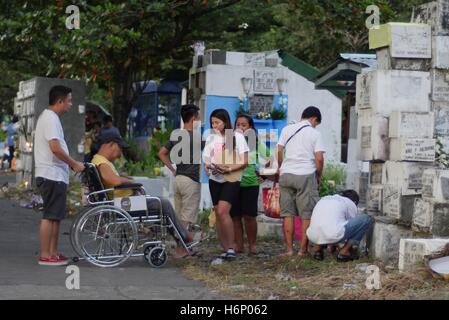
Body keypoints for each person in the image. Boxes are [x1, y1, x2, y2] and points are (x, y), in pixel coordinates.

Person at [91, 130, 193, 253]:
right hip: (121, 205)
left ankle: (179, 237)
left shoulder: (99, 160)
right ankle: (184, 237)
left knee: (159, 204)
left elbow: (114, 179)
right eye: (120, 148)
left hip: (119, 202)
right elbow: (114, 181)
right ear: (111, 144)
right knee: (163, 203)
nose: (120, 153)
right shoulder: (101, 162)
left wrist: (125, 180)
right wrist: (130, 182)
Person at [34, 85, 85, 266]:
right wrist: (74, 164)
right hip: (50, 174)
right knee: (49, 215)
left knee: (56, 215)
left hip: (55, 175)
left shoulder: (51, 117)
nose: (70, 104)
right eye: (69, 101)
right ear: (60, 101)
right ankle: (45, 255)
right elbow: (55, 148)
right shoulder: (50, 118)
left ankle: (53, 253)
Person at [277, 106, 325, 257]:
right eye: (316, 123)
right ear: (314, 119)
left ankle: (289, 250)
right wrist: (319, 174)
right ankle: (302, 250)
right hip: (305, 174)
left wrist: (281, 167)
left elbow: (278, 150)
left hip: (286, 174)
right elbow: (319, 158)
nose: (315, 125)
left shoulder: (287, 129)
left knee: (288, 214)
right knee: (306, 214)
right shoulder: (315, 133)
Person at [203, 109, 249, 259]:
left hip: (232, 178)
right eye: (212, 123)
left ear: (225, 122)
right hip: (215, 179)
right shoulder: (211, 138)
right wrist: (209, 168)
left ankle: (231, 247)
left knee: (223, 211)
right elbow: (207, 160)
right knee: (217, 212)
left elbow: (244, 161)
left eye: (217, 122)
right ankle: (224, 248)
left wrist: (228, 169)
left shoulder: (237, 137)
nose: (214, 125)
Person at [158, 104, 201, 257]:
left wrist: (173, 169)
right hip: (191, 181)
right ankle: (181, 250)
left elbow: (161, 153)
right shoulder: (197, 137)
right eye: (199, 118)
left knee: (179, 217)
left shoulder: (176, 135)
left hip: (178, 180)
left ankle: (181, 247)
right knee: (186, 219)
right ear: (194, 118)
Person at [232, 114, 272, 255]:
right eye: (238, 125)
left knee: (249, 216)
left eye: (244, 125)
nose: (241, 128)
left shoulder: (255, 142)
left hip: (250, 184)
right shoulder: (231, 141)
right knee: (235, 216)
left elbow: (271, 157)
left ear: (250, 127)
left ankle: (252, 246)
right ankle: (239, 245)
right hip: (233, 183)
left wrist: (263, 174)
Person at [306, 190, 374, 262]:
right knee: (366, 219)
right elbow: (352, 228)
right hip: (332, 234)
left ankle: (317, 250)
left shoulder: (325, 198)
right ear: (354, 202)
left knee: (323, 224)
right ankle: (344, 252)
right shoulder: (350, 203)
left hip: (312, 235)